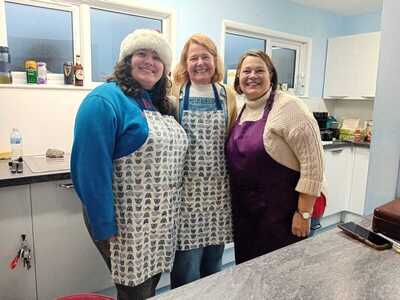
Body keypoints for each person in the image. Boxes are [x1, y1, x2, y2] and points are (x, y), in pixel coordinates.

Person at [71, 29, 188, 300]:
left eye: (157, 57)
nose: (149, 61)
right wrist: (105, 226)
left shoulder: (160, 105)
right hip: (123, 222)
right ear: (126, 60)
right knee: (135, 291)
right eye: (142, 54)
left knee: (150, 287)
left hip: (158, 221)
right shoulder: (104, 100)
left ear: (164, 68)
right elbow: (89, 171)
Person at [226, 50, 324, 264]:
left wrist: (304, 213)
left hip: (285, 217)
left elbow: (313, 165)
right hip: (248, 217)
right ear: (238, 79)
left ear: (271, 75)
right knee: (250, 275)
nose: (252, 76)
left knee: (284, 278)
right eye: (246, 71)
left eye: (259, 70)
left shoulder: (289, 107)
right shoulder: (241, 110)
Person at [169, 34, 237, 288]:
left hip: (219, 193)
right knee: (186, 269)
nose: (200, 63)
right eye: (193, 57)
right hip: (186, 193)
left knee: (214, 267)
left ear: (215, 61)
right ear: (185, 62)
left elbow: (231, 136)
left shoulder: (227, 94)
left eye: (205, 57)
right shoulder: (174, 91)